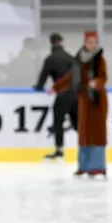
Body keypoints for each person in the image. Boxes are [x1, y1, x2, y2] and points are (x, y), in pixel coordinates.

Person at [34, 32, 76, 160]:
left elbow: (43, 77)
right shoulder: (70, 57)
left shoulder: (50, 59)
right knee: (78, 123)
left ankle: (59, 149)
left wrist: (39, 87)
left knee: (58, 121)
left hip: (63, 95)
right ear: (62, 41)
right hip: (75, 94)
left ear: (51, 43)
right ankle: (89, 146)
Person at [74, 30, 108, 177]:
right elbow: (71, 77)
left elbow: (104, 77)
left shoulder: (100, 59)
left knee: (96, 134)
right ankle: (84, 166)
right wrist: (56, 87)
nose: (91, 44)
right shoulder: (79, 60)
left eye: (93, 42)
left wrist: (97, 83)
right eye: (88, 42)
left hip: (97, 101)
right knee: (84, 135)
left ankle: (98, 166)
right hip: (84, 101)